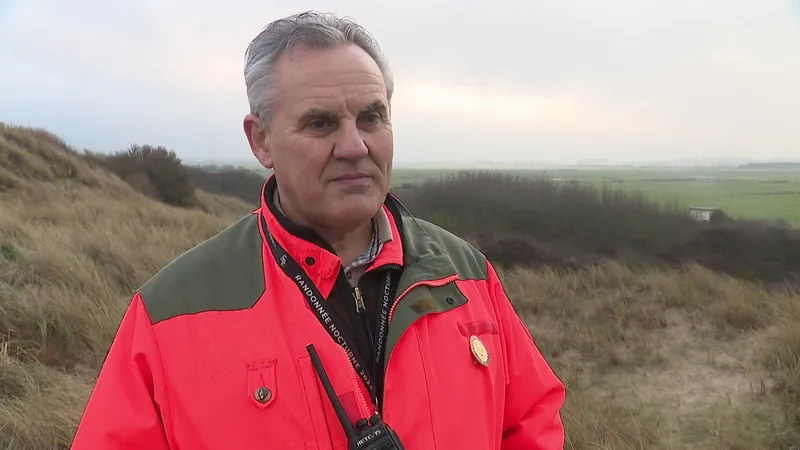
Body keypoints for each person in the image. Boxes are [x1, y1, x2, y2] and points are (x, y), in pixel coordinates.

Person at [70, 10, 566, 450]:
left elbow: (532, 423)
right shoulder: (170, 313)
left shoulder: (467, 276)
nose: (355, 145)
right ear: (260, 140)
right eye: (321, 124)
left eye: (372, 117)